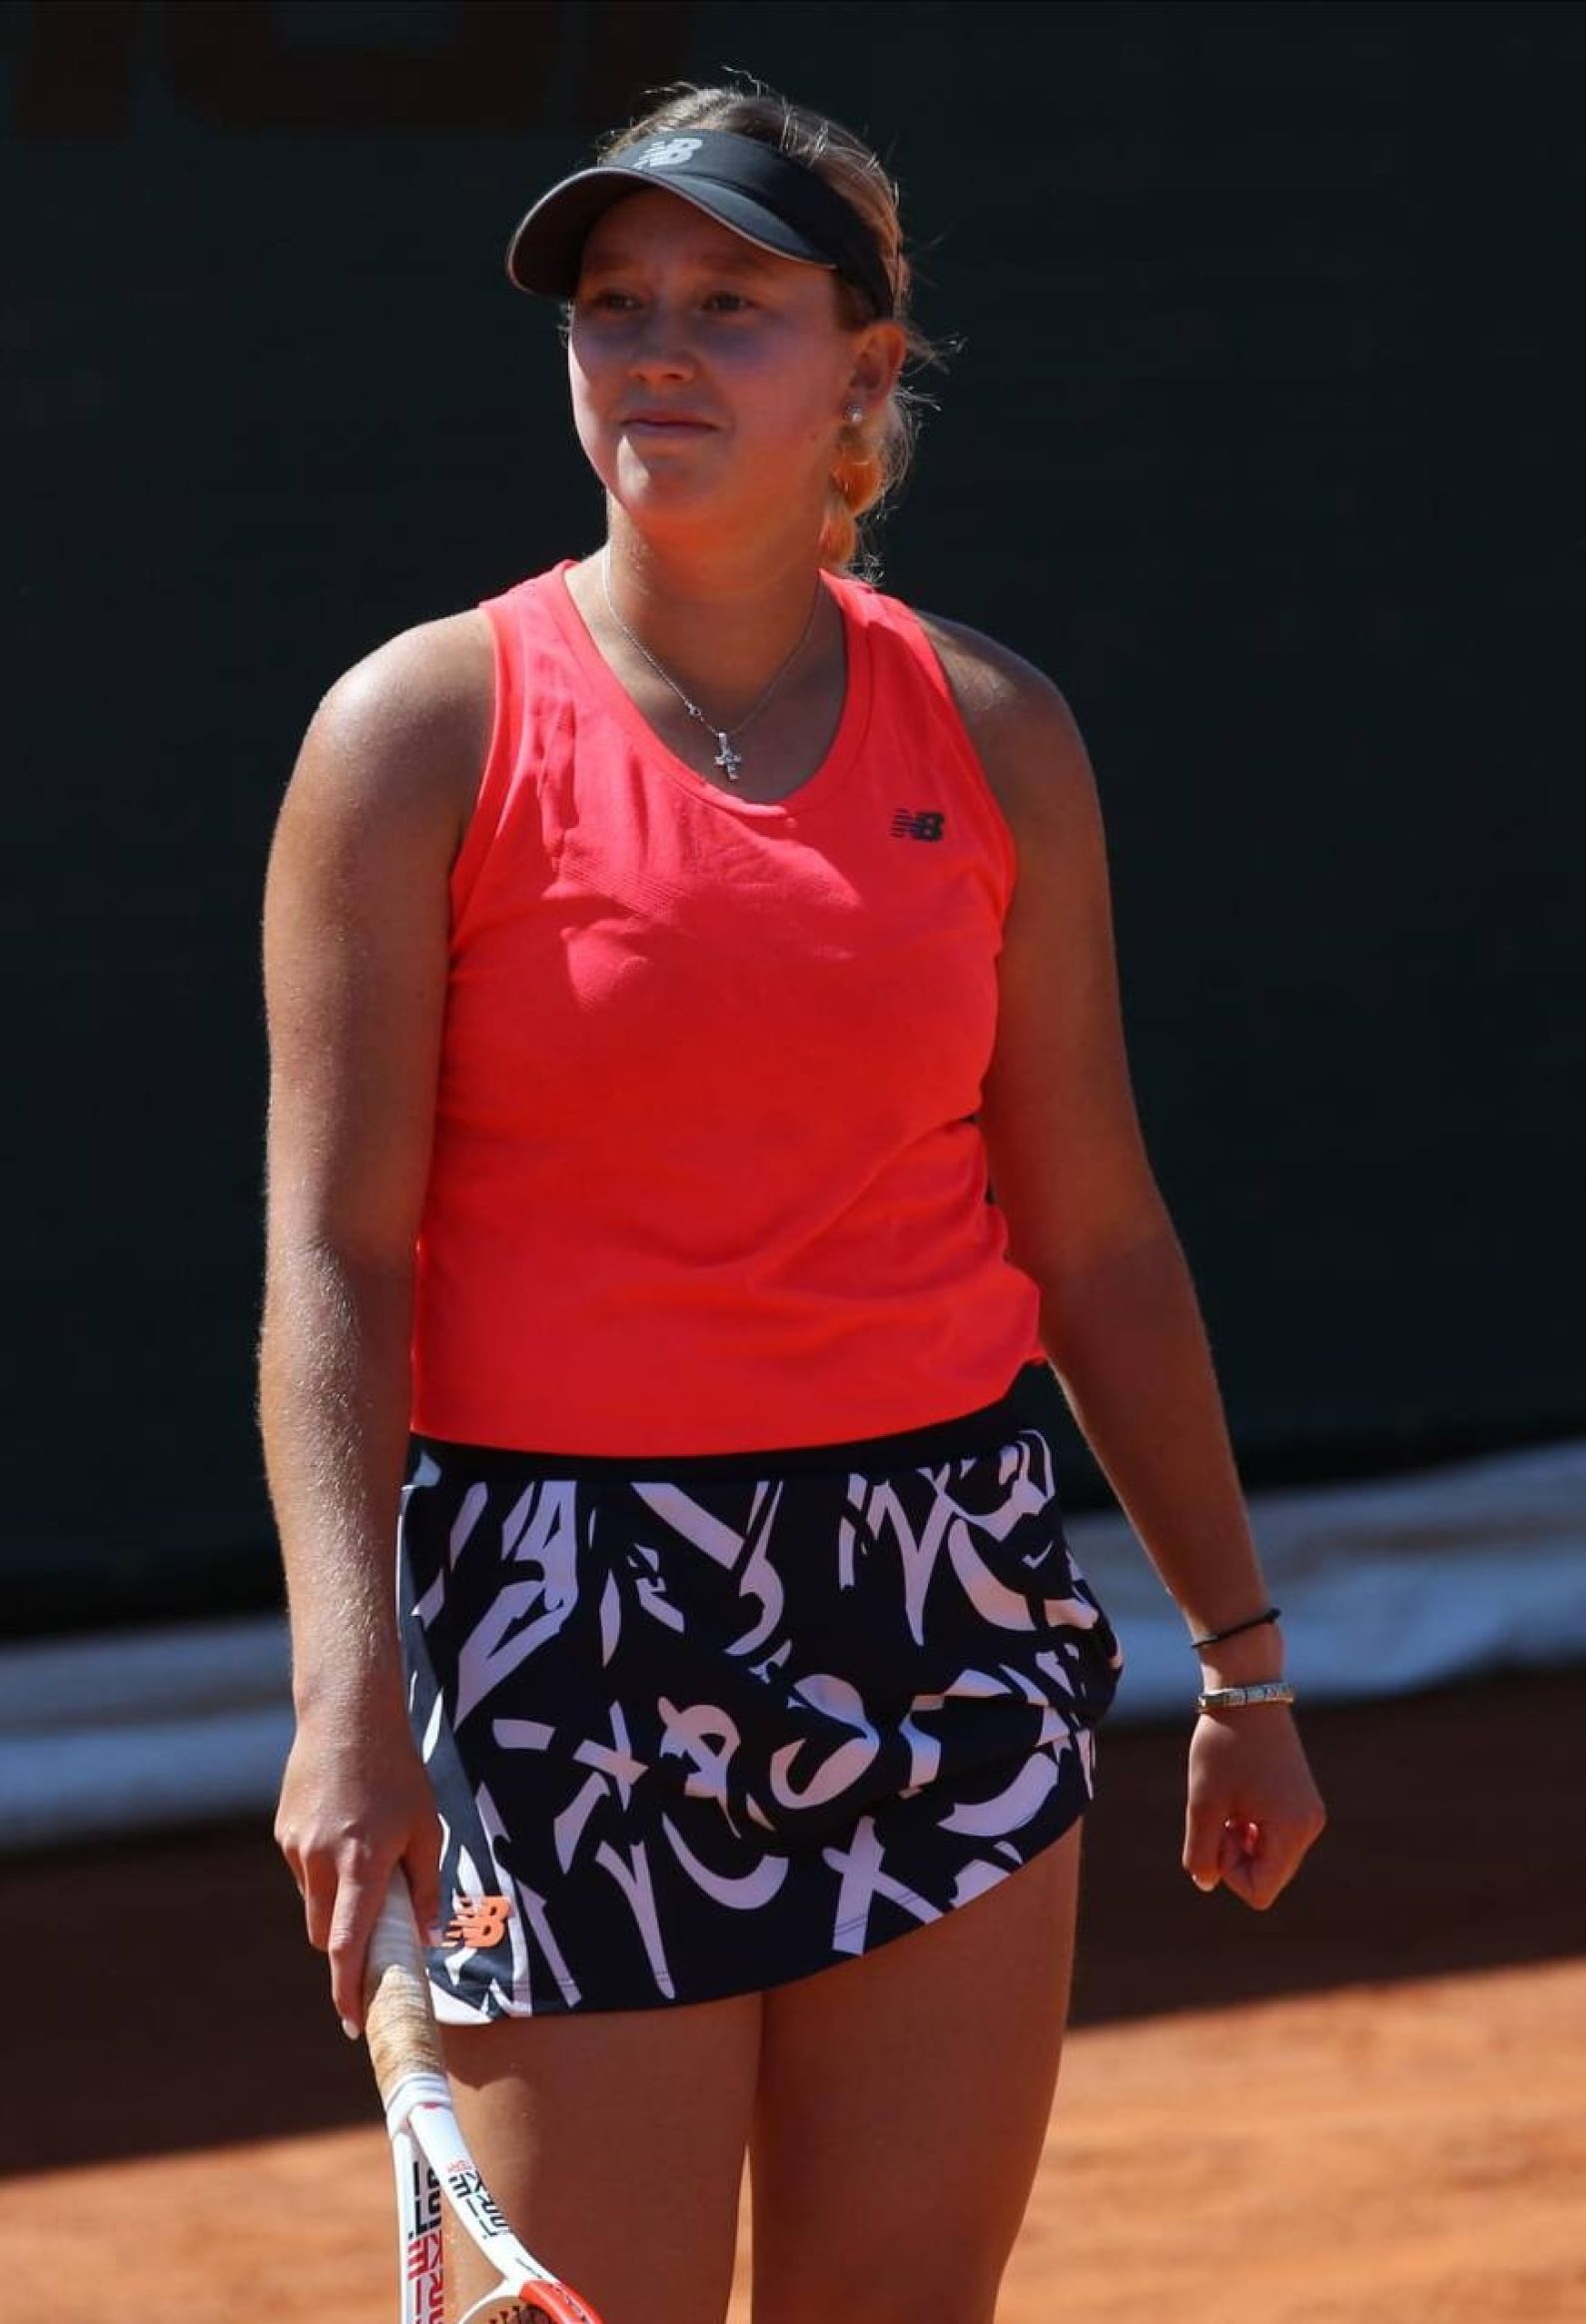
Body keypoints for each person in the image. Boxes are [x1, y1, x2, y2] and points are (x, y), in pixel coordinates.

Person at [263, 81, 1325, 2324]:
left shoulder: (997, 735)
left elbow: (1096, 1234)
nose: (655, 347)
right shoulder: (414, 735)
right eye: (613, 303)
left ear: (861, 369)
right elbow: (333, 1254)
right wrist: (347, 1691)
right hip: (556, 1618)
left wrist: (1243, 1661)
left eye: (728, 303)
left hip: (943, 1587)